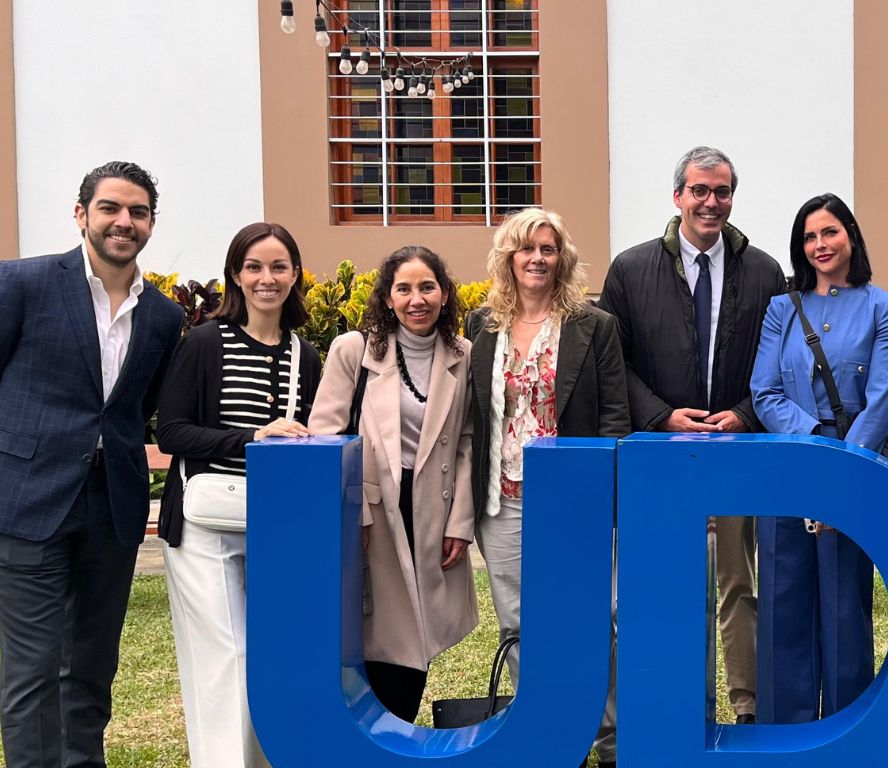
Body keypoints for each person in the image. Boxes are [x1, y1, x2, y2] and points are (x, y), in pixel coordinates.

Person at [0, 161, 184, 768]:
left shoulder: (163, 315)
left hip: (111, 506)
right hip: (21, 500)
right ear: (81, 214)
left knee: (93, 664)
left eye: (138, 212)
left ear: (151, 224)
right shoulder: (22, 282)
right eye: (110, 208)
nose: (124, 221)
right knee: (35, 667)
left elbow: (136, 408)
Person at [598, 146, 785, 725]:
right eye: (699, 190)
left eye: (721, 191)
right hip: (662, 455)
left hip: (736, 451)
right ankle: (672, 712)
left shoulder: (764, 272)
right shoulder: (630, 269)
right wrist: (661, 417)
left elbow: (780, 361)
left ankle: (748, 709)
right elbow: (614, 363)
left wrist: (745, 414)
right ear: (677, 195)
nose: (711, 202)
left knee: (739, 584)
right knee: (664, 585)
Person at [156, 223, 322, 768]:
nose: (265, 278)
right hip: (204, 523)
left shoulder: (304, 355)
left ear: (295, 275)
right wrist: (254, 435)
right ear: (235, 275)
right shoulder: (206, 342)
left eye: (278, 267)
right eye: (253, 267)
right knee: (226, 656)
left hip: (273, 524)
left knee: (273, 657)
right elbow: (172, 432)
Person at [468, 208, 629, 767]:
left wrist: (602, 494)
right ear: (507, 257)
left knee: (596, 618)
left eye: (548, 249)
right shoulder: (481, 325)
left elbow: (614, 418)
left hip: (574, 501)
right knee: (518, 622)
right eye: (526, 248)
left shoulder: (594, 325)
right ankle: (550, 734)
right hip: (502, 500)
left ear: (562, 259)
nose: (537, 258)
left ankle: (611, 740)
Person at [749, 193, 888, 724]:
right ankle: (784, 732)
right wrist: (816, 444)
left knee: (843, 603)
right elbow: (764, 392)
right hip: (789, 465)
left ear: (851, 237)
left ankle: (847, 725)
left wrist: (841, 469)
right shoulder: (782, 308)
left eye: (830, 232)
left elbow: (882, 399)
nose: (820, 244)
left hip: (853, 466)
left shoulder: (883, 307)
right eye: (809, 237)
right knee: (782, 598)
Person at [308, 246, 477, 723]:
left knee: (415, 634)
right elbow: (326, 436)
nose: (416, 299)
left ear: (445, 295)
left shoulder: (463, 354)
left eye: (427, 287)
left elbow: (467, 439)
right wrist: (354, 511)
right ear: (387, 297)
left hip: (432, 510)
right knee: (379, 631)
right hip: (372, 509)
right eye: (403, 289)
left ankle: (393, 731)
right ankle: (376, 731)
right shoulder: (354, 350)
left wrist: (461, 520)